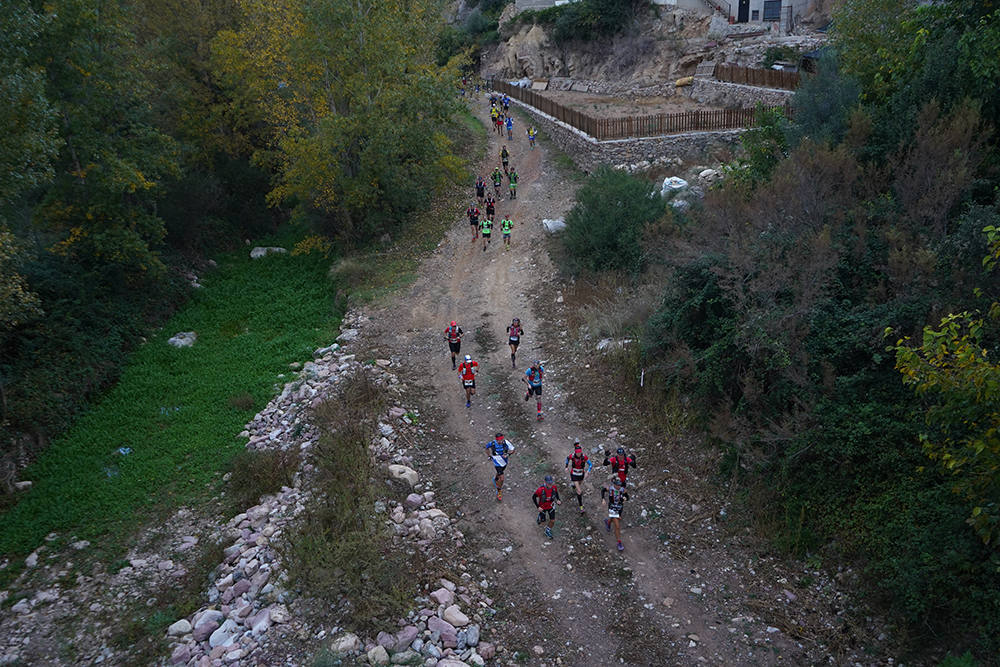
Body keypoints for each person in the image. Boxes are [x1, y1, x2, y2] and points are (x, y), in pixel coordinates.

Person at [601, 478, 630, 551]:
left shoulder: (623, 490)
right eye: (617, 485)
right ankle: (619, 543)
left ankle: (607, 522)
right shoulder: (610, 489)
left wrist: (625, 498)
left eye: (620, 485)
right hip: (612, 508)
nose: (619, 487)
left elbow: (627, 497)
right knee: (617, 526)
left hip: (619, 508)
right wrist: (603, 499)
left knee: (613, 519)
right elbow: (603, 490)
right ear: (614, 484)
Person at [486, 432, 515, 501]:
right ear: (496, 440)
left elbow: (513, 450)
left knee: (500, 472)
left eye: (501, 440)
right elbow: (487, 448)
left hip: (504, 462)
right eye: (498, 440)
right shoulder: (492, 443)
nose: (500, 441)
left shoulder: (506, 442)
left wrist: (508, 454)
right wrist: (489, 456)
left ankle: (495, 479)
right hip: (496, 462)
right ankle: (499, 491)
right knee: (502, 478)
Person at [564, 440, 593, 512]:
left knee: (579, 484)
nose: (579, 454)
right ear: (575, 452)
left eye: (580, 452)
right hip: (574, 474)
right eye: (577, 453)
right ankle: (581, 507)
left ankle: (574, 486)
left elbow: (590, 464)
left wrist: (588, 472)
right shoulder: (572, 456)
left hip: (581, 474)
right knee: (579, 491)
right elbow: (567, 458)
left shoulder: (584, 457)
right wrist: (566, 466)